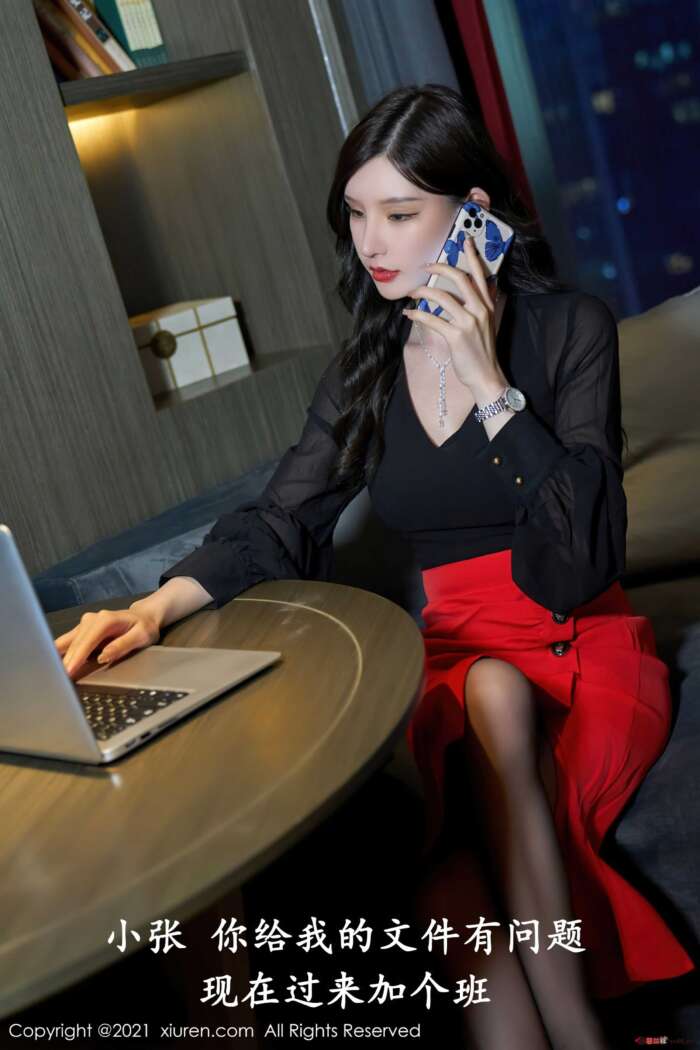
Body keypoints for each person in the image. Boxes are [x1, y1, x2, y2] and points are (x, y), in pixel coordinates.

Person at [55, 84, 694, 1048]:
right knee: (446, 869)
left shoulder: (571, 329)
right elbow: (283, 517)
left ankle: (573, 1027)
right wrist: (153, 608)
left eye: (399, 214)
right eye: (356, 215)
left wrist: (487, 382)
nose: (371, 244)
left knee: (492, 706)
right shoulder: (367, 364)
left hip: (576, 640)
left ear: (473, 215)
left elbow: (577, 558)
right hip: (448, 656)